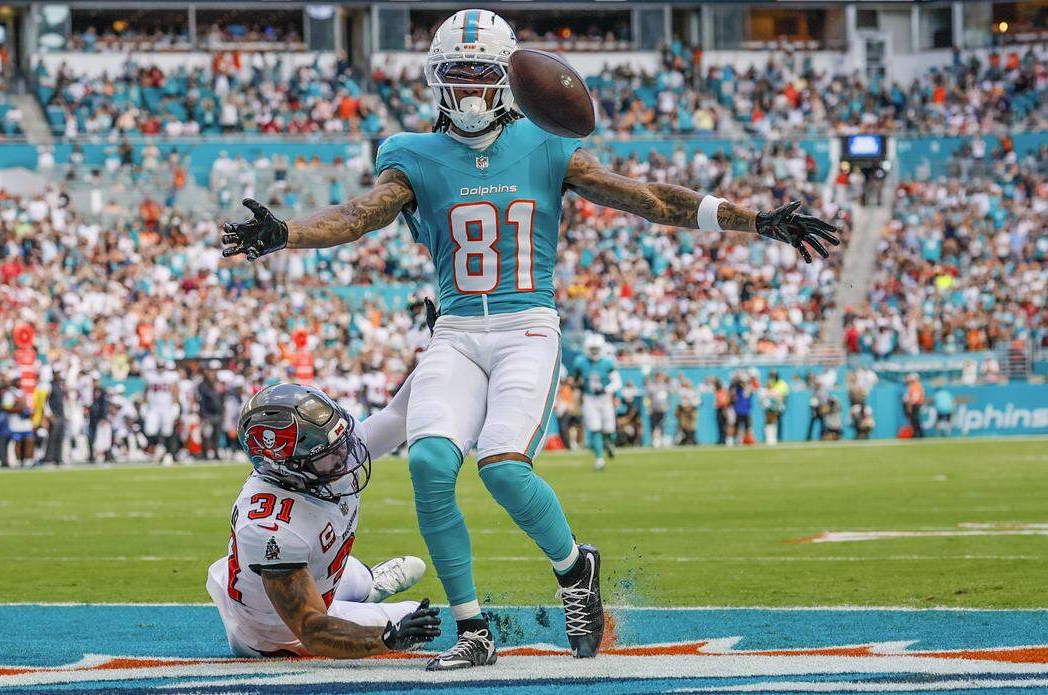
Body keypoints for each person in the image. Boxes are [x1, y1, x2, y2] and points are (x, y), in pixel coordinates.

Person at [221, 7, 838, 669]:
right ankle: (473, 629)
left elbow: (647, 196)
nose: (467, 89)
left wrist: (756, 221)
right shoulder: (412, 154)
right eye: (454, 76)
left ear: (505, 79)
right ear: (437, 81)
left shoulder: (547, 145)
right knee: (429, 465)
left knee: (503, 468)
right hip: (456, 330)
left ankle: (575, 571)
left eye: (480, 74)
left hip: (525, 327)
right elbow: (357, 215)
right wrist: (288, 233)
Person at [207, 382, 439, 659]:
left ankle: (370, 585)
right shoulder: (271, 529)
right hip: (279, 634)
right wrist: (386, 638)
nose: (344, 455)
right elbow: (311, 628)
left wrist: (443, 348)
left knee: (360, 578)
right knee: (417, 619)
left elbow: (398, 416)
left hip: (316, 573)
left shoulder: (323, 456)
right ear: (286, 468)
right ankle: (367, 598)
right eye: (329, 455)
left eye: (342, 443)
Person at [571, 334, 620, 471]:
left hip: (605, 399)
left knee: (609, 430)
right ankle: (599, 459)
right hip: (590, 398)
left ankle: (610, 442)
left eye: (596, 348)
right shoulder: (581, 361)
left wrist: (606, 389)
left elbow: (617, 382)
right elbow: (576, 380)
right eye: (592, 348)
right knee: (595, 429)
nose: (594, 351)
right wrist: (578, 388)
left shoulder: (608, 362)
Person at [646, 372, 672, 448]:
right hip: (654, 408)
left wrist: (667, 405)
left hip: (662, 408)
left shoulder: (665, 386)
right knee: (654, 424)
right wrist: (648, 407)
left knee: (661, 424)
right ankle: (655, 440)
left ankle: (661, 439)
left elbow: (668, 396)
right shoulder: (651, 386)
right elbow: (647, 398)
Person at [904, 373, 926, 438]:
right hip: (914, 404)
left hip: (916, 404)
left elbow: (915, 397)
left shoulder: (916, 385)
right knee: (913, 420)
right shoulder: (913, 386)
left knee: (915, 419)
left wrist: (909, 402)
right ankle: (915, 434)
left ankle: (919, 434)